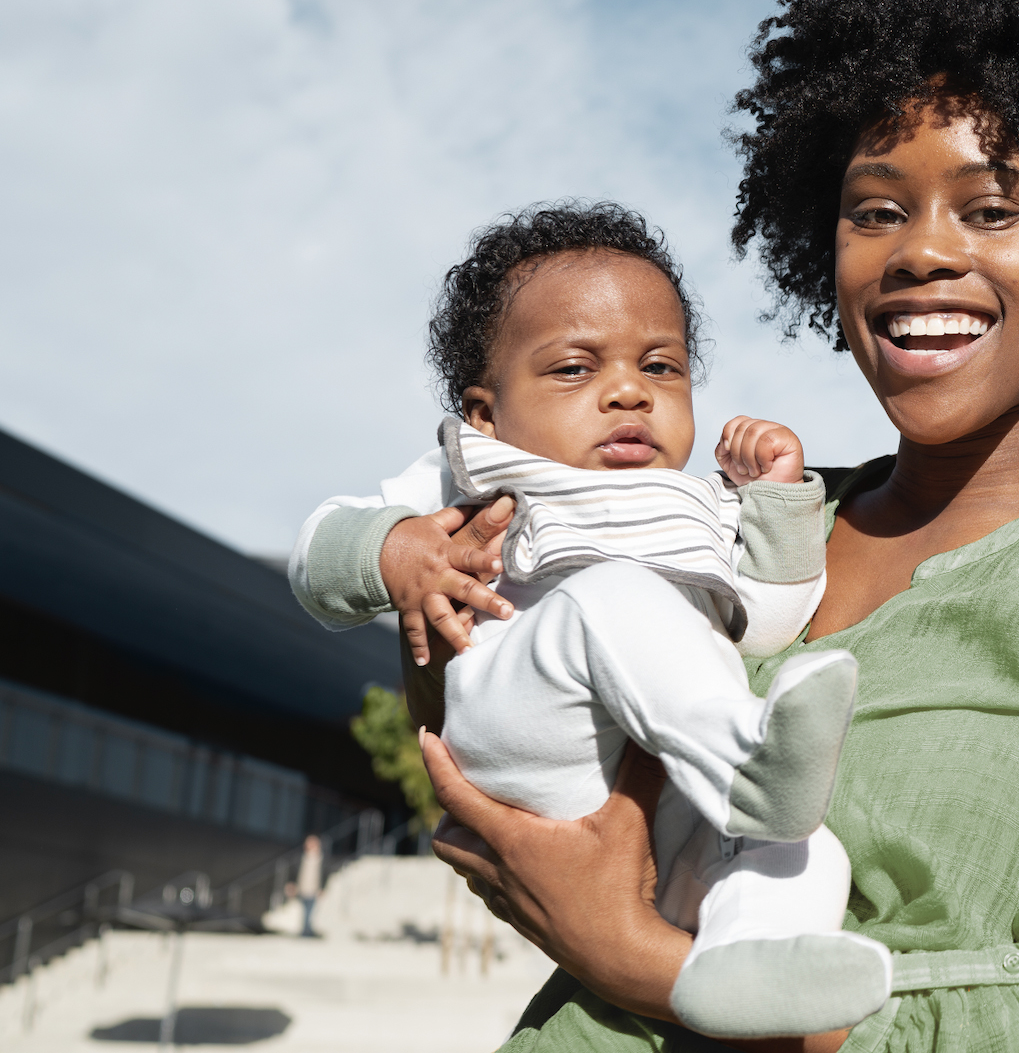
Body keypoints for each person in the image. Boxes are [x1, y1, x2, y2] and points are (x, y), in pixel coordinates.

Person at [317, 0, 1019, 1048]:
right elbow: (499, 772)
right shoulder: (742, 519)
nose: (920, 251)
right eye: (875, 211)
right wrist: (433, 568)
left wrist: (638, 960)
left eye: (991, 210)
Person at [288, 202, 892, 1038]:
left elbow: (768, 624)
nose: (628, 390)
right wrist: (396, 551)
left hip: (672, 788)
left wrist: (779, 503)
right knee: (610, 597)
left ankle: (747, 962)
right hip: (532, 725)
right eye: (574, 368)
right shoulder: (473, 475)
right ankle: (752, 765)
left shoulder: (698, 503)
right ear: (486, 413)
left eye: (661, 366)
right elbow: (314, 553)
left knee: (804, 850)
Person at [295, 834, 321, 938]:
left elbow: (323, 874)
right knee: (304, 911)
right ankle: (306, 930)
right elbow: (297, 872)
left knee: (310, 911)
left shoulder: (320, 858)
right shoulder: (302, 857)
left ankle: (307, 930)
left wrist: (322, 888)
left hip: (313, 889)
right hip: (303, 888)